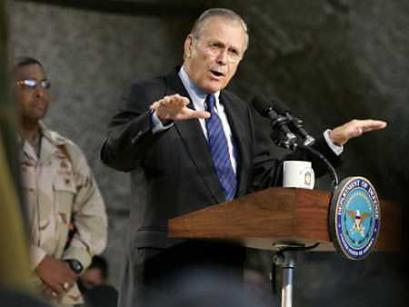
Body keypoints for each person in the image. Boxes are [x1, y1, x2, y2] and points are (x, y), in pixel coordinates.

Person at [100, 8, 386, 307]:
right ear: (189, 45)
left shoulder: (241, 113)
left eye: (233, 52)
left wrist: (331, 142)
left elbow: (267, 182)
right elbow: (115, 155)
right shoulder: (151, 94)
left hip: (225, 271)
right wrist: (157, 118)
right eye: (215, 46)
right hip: (164, 272)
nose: (223, 59)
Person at [15, 57, 108, 306]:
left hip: (59, 292)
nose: (39, 93)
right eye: (29, 84)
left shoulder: (66, 152)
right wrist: (39, 262)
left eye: (44, 84)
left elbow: (93, 215)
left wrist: (71, 265)